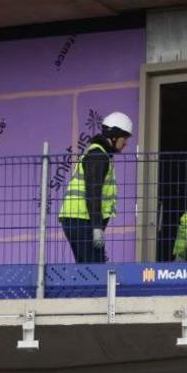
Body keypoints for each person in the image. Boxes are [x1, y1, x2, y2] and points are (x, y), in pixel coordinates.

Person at [58, 111, 133, 263]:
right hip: (80, 219)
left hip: (79, 218)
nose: (125, 143)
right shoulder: (98, 156)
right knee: (94, 268)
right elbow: (93, 192)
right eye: (124, 138)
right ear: (114, 135)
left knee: (89, 266)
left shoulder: (101, 154)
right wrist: (97, 228)